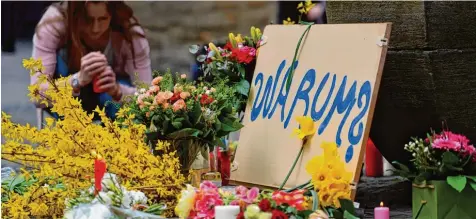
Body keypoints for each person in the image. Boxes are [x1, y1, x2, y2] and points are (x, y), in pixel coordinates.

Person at [31, 1, 152, 120]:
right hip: (69, 92)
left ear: (112, 15)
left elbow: (149, 99)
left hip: (112, 96)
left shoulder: (129, 34)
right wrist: (77, 80)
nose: (95, 28)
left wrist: (118, 91)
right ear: (75, 15)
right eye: (87, 19)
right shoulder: (54, 23)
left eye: (103, 19)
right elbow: (37, 95)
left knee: (118, 100)